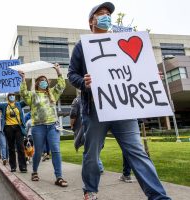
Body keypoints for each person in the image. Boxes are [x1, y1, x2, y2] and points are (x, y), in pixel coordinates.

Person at [67, 2, 171, 200]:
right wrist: (84, 82)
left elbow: (134, 69)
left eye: (108, 14)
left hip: (124, 109)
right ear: (92, 21)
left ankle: (158, 197)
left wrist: (150, 74)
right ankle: (90, 191)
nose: (106, 16)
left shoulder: (120, 41)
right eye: (101, 14)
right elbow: (72, 74)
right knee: (91, 154)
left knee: (137, 152)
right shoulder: (83, 45)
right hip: (95, 109)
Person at [19, 63, 68, 187]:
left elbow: (62, 85)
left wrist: (58, 71)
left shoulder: (52, 93)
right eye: (41, 81)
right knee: (38, 151)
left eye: (45, 81)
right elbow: (24, 93)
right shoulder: (33, 95)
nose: (44, 82)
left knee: (56, 150)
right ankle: (34, 172)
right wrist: (23, 79)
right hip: (38, 127)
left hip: (52, 126)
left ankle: (59, 177)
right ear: (37, 83)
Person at [0, 86, 27, 173]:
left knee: (20, 147)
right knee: (11, 148)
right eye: (10, 95)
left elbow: (27, 100)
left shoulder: (19, 104)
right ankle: (13, 166)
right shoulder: (4, 106)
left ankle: (23, 166)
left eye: (13, 95)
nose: (12, 96)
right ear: (8, 97)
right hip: (8, 128)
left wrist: (24, 91)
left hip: (18, 127)